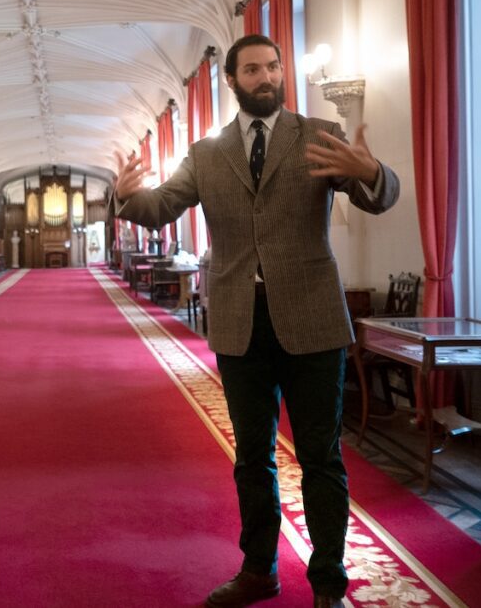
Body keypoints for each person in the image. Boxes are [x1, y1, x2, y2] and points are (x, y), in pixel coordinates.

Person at [112, 34, 399, 608]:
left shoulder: (319, 135)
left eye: (272, 66)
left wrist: (372, 170)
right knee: (253, 457)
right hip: (241, 322)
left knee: (320, 456)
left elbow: (376, 196)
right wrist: (125, 197)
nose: (265, 77)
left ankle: (328, 585)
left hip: (313, 321)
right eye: (252, 70)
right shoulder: (206, 153)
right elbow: (161, 206)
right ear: (232, 81)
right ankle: (258, 570)